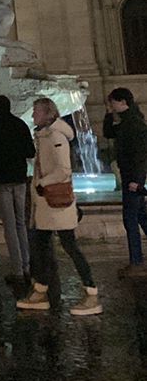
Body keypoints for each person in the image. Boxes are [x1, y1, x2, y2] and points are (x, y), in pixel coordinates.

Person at [17, 97, 102, 316]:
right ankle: (40, 290)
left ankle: (91, 292)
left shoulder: (55, 137)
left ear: (47, 114)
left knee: (69, 246)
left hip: (55, 204)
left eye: (36, 111)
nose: (33, 115)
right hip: (47, 206)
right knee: (40, 246)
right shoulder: (45, 135)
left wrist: (41, 184)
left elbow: (63, 170)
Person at [0, 95, 35, 287]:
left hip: (0, 180)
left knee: (9, 224)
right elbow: (30, 152)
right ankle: (27, 266)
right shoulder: (20, 125)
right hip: (19, 178)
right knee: (21, 222)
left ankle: (17, 270)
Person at [103, 86, 147, 277]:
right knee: (140, 216)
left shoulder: (134, 124)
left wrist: (137, 180)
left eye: (113, 102)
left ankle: (136, 262)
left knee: (130, 218)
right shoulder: (129, 121)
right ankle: (136, 260)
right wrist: (108, 114)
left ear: (122, 102)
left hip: (132, 177)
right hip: (131, 176)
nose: (111, 106)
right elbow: (109, 133)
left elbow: (141, 155)